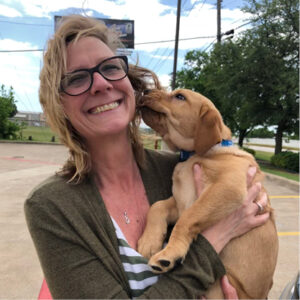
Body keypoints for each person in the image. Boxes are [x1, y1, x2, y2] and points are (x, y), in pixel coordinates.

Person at [24, 15, 269, 299]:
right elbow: (213, 241)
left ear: (128, 82)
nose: (101, 84)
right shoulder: (52, 207)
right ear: (58, 105)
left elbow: (253, 243)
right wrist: (211, 243)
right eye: (77, 78)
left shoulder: (178, 169)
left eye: (110, 67)